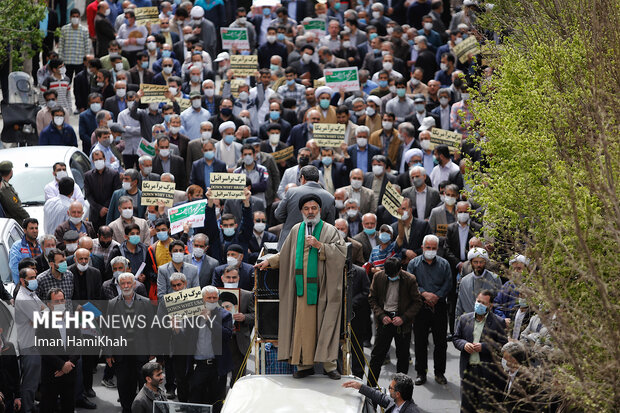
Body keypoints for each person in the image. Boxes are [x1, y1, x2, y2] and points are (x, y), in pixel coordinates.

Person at [256, 194, 347, 379]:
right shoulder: (297, 230)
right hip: (300, 291)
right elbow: (285, 253)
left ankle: (330, 367)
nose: (310, 212)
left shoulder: (330, 230)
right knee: (303, 328)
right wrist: (269, 262)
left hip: (323, 290)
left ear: (319, 210)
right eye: (306, 209)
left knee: (325, 325)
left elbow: (341, 254)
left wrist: (320, 245)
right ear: (301, 211)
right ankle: (305, 366)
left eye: (314, 208)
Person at [367, 257, 423, 387]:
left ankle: (400, 390)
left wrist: (403, 318)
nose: (391, 277)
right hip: (384, 321)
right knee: (377, 357)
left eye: (394, 275)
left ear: (400, 270)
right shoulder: (379, 277)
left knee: (403, 358)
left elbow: (417, 302)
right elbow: (372, 299)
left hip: (402, 324)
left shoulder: (409, 279)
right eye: (388, 275)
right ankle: (370, 388)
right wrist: (381, 315)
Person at [105, 273, 155, 413]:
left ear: (134, 284)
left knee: (144, 382)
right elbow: (108, 329)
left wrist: (153, 351)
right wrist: (108, 353)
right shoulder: (112, 303)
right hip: (121, 352)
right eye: (123, 283)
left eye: (129, 283)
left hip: (141, 350)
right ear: (119, 285)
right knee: (124, 383)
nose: (126, 286)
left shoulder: (145, 302)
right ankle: (126, 409)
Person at [407, 235, 452, 386]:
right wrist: (424, 294)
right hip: (420, 306)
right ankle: (421, 372)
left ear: (437, 249)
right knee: (420, 341)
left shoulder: (444, 264)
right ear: (422, 247)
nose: (431, 251)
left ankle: (439, 372)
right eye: (428, 248)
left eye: (434, 248)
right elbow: (410, 283)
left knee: (441, 342)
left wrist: (437, 296)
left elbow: (448, 283)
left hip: (439, 306)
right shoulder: (413, 263)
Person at [453, 290, 508, 412]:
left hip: (487, 374)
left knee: (485, 407)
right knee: (467, 406)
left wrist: (484, 347)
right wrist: (464, 345)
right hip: (468, 370)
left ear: (490, 305)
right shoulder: (464, 319)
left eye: (484, 303)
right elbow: (456, 338)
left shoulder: (498, 322)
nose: (480, 305)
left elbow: (502, 345)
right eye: (478, 301)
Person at [188, 286, 233, 410]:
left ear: (218, 298)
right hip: (199, 366)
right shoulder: (193, 314)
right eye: (209, 298)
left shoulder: (225, 315)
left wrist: (209, 320)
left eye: (214, 298)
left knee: (217, 401)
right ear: (203, 299)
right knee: (196, 400)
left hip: (217, 366)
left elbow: (226, 335)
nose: (212, 300)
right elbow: (185, 337)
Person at [274, 165, 335, 249]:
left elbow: (278, 215)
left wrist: (291, 220)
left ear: (302, 178)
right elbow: (330, 226)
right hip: (316, 244)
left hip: (289, 244)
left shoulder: (291, 192)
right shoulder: (329, 197)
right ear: (318, 180)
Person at [455, 247, 503, 321]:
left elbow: (499, 304)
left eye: (481, 262)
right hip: (469, 322)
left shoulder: (494, 278)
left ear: (485, 262)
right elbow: (459, 307)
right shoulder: (464, 281)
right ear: (471, 263)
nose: (478, 265)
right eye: (475, 262)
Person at [342, 373, 421, 412]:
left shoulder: (412, 411)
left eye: (390, 388)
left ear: (398, 394)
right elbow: (380, 397)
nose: (388, 389)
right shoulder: (396, 402)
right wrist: (360, 386)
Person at [84, 149, 122, 229]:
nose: (98, 161)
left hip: (110, 211)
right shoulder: (88, 176)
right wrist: (99, 209)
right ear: (93, 161)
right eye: (96, 159)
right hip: (95, 214)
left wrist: (105, 208)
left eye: (100, 159)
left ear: (104, 159)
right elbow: (88, 195)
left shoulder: (114, 174)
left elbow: (116, 192)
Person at [9, 218, 40, 284]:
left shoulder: (41, 244)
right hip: (24, 284)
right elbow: (14, 266)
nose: (35, 231)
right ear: (25, 230)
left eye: (36, 228)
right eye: (31, 228)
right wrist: (30, 276)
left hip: (40, 282)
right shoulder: (17, 246)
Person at [0, 161, 29, 225]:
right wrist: (27, 217)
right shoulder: (4, 188)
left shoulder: (4, 185)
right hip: (12, 224)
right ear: (11, 172)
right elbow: (14, 206)